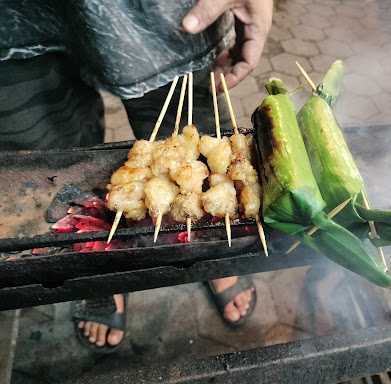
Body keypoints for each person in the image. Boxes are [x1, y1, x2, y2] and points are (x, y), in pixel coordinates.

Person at [0, 0, 273, 351]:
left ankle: (213, 254)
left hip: (159, 16)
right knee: (54, 160)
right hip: (13, 24)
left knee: (190, 122)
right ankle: (98, 257)